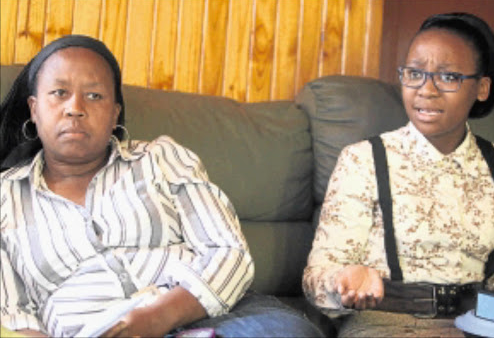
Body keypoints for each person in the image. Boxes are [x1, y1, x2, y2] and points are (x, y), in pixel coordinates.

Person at [0, 35, 323, 338]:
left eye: (94, 95)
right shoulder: (6, 197)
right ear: (34, 108)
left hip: (209, 315)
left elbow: (228, 252)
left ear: (114, 115)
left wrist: (158, 318)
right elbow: (13, 312)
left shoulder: (162, 158)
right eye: (59, 93)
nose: (75, 107)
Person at [303, 12, 494, 337]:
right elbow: (317, 279)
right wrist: (343, 282)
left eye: (448, 77)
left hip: (478, 326)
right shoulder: (363, 160)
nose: (426, 90)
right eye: (414, 73)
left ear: (481, 88)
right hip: (386, 323)